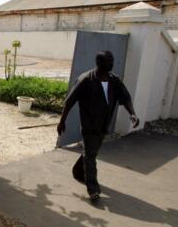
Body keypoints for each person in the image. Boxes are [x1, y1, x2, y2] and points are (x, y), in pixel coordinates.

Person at [57, 51, 139, 201]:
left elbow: (125, 97)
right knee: (91, 155)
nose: (112, 64)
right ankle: (93, 189)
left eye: (112, 61)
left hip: (103, 125)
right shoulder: (85, 80)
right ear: (100, 63)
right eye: (109, 61)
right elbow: (70, 101)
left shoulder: (115, 81)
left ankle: (77, 171)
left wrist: (132, 113)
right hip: (89, 125)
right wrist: (62, 121)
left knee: (91, 152)